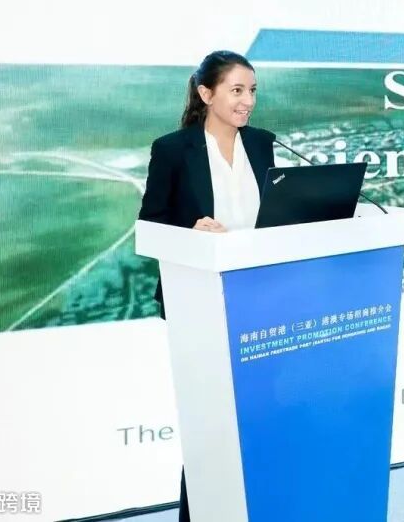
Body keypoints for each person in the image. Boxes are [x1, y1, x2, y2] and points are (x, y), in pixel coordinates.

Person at [137, 50, 276, 522]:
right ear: (205, 93)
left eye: (252, 90)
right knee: (211, 423)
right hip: (199, 302)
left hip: (259, 297)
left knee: (256, 419)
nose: (248, 101)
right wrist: (191, 232)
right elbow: (150, 225)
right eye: (237, 90)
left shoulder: (262, 143)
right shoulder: (173, 150)